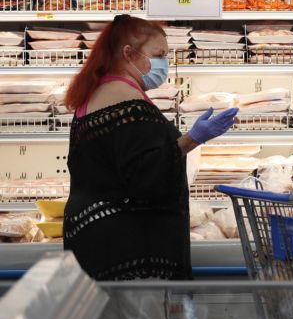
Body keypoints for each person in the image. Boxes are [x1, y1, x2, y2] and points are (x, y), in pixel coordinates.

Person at [63, 14, 238, 281]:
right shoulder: (126, 100)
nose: (164, 64)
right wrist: (192, 139)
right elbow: (145, 173)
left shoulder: (98, 91)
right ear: (129, 54)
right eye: (159, 54)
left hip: (96, 238)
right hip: (126, 249)